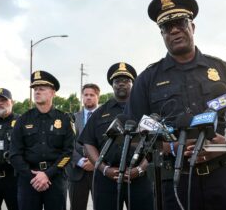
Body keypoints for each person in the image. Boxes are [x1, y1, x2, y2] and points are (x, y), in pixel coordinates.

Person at [124, 0, 226, 210]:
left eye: (180, 23)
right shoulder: (147, 79)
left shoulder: (221, 69)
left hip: (222, 178)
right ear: (162, 34)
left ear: (193, 27)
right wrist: (170, 147)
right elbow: (132, 133)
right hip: (174, 183)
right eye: (166, 27)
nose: (174, 30)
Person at [78, 62, 154, 210]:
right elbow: (88, 142)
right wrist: (104, 168)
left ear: (133, 83)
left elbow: (154, 142)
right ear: (112, 85)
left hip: (139, 178)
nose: (121, 84)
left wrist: (140, 169)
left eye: (126, 80)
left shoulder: (144, 110)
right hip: (107, 179)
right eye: (117, 81)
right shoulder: (100, 112)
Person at [10, 70, 75, 210]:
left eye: (41, 89)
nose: (37, 92)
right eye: (35, 89)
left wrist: (47, 174)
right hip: (29, 181)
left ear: (52, 92)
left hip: (55, 179)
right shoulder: (22, 120)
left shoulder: (64, 119)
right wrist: (33, 177)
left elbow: (68, 152)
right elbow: (14, 154)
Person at [66, 83, 100, 210]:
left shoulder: (105, 118)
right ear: (82, 97)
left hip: (100, 171)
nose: (88, 97)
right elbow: (67, 144)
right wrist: (80, 161)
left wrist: (95, 162)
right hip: (76, 171)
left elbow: (109, 143)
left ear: (98, 97)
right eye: (86, 95)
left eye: (92, 95)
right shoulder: (72, 118)